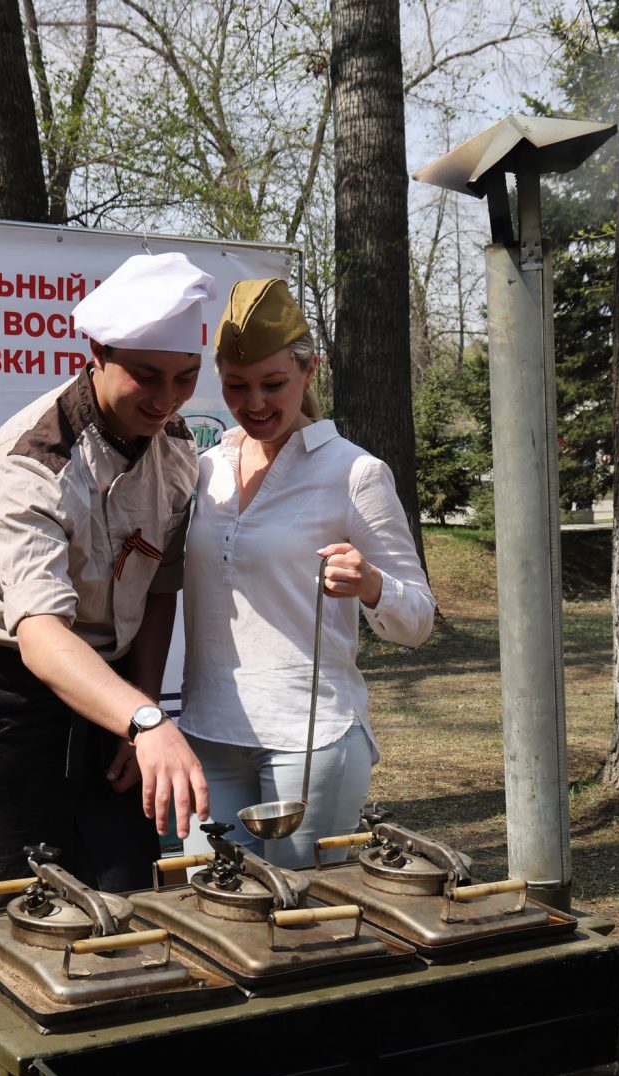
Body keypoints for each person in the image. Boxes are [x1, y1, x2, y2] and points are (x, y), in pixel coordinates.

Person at [0, 253, 212, 913]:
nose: (167, 401)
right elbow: (41, 637)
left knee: (125, 888)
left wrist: (133, 710)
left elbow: (158, 586)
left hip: (110, 691)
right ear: (96, 352)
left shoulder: (175, 443)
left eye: (186, 379)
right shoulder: (33, 461)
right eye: (146, 376)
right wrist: (146, 721)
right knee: (17, 908)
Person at [178, 278, 435, 864]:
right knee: (211, 910)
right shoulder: (202, 469)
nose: (256, 403)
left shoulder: (354, 473)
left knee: (303, 920)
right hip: (208, 729)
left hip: (310, 737)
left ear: (310, 371)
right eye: (237, 387)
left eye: (274, 384)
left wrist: (372, 585)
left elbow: (417, 620)